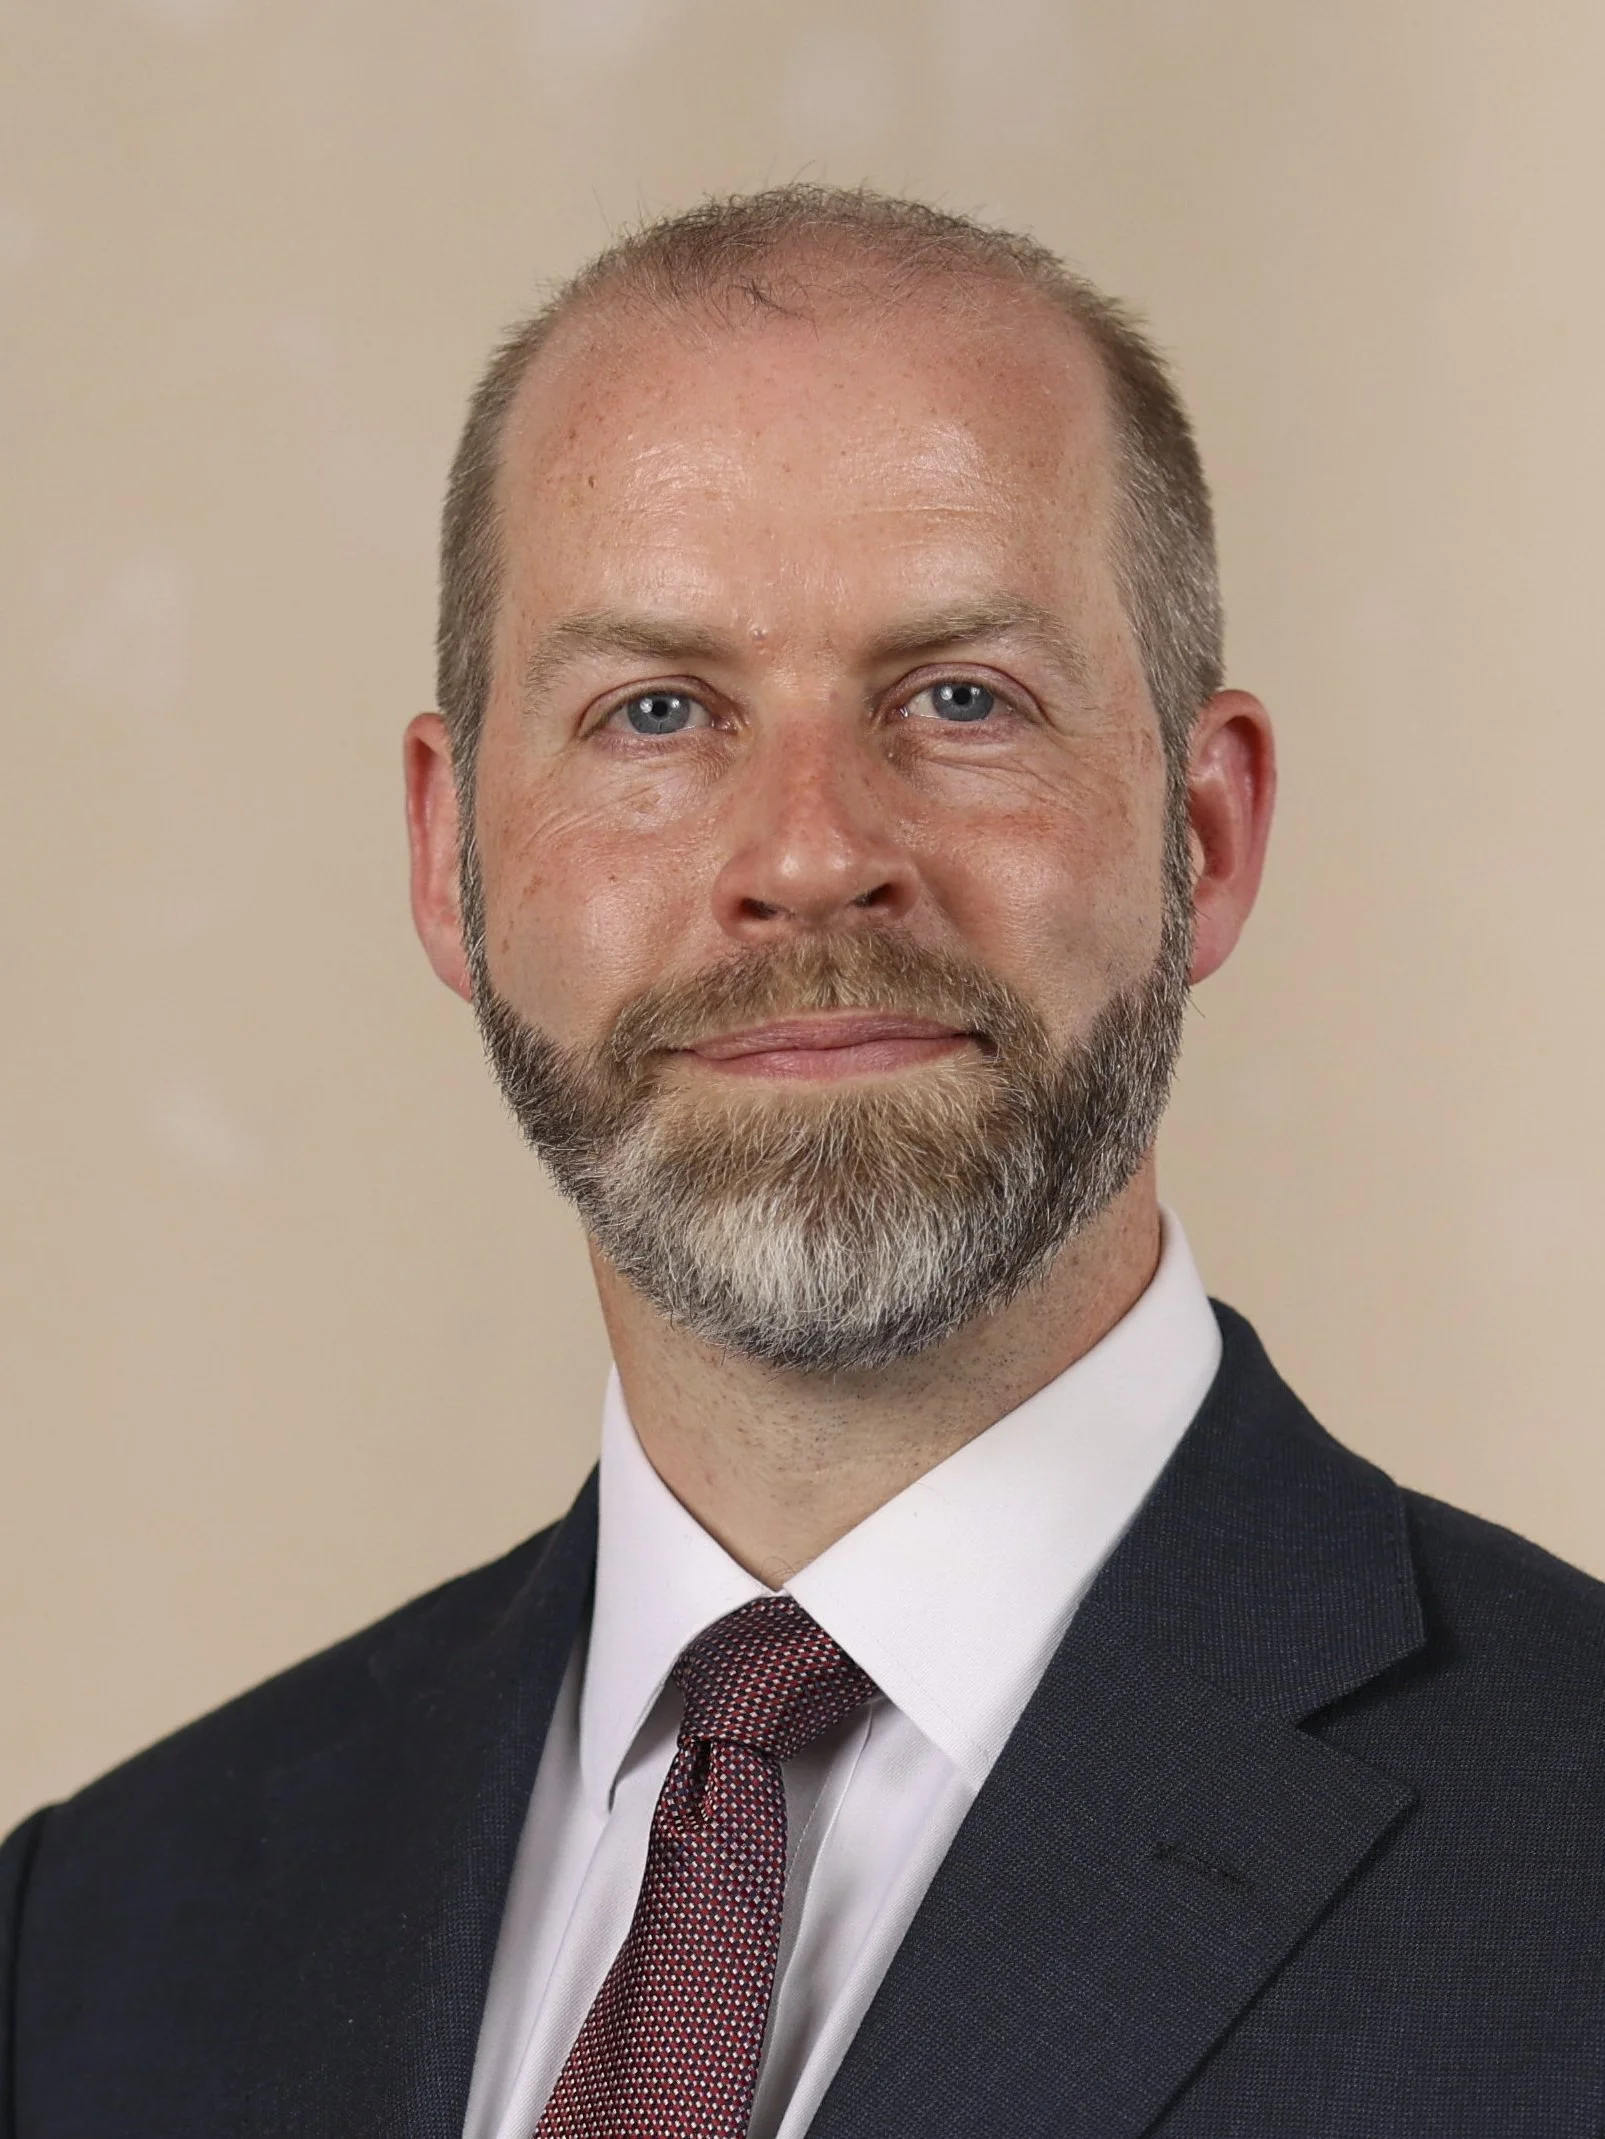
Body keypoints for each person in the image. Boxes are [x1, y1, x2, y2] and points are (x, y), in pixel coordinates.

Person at [4, 184, 1605, 2139]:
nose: (809, 849)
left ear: (1212, 827)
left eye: (957, 698)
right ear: (451, 858)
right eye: (654, 712)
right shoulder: (98, 1939)